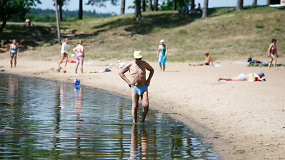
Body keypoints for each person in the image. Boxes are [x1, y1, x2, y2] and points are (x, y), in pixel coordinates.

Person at [119, 51, 154, 123]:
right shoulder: (131, 64)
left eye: (140, 58)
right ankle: (134, 123)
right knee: (135, 106)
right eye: (137, 59)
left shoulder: (144, 63)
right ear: (134, 58)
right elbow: (120, 73)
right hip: (134, 87)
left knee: (146, 105)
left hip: (144, 87)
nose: (138, 60)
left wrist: (148, 80)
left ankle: (142, 120)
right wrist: (128, 81)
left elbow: (151, 70)